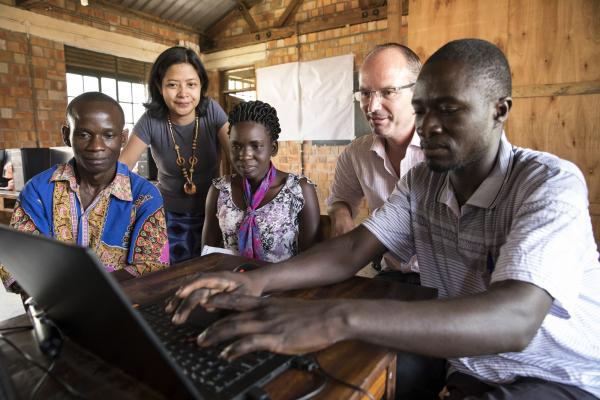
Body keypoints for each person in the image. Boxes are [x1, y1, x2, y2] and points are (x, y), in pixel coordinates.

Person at [167, 39, 600, 399]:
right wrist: (255, 281)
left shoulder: (548, 183)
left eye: (448, 110)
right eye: (424, 108)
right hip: (466, 364)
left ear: (499, 110)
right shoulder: (423, 182)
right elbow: (355, 247)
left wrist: (337, 316)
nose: (429, 125)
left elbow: (515, 320)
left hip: (555, 376)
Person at [0, 92, 170, 293]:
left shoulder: (145, 196)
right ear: (66, 135)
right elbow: (17, 267)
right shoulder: (37, 191)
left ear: (123, 138)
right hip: (53, 308)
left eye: (108, 135)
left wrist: (86, 290)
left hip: (124, 306)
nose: (96, 146)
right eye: (83, 134)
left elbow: (152, 267)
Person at [119, 46, 230, 264]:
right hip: (167, 217)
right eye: (172, 85)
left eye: (191, 84)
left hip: (215, 214)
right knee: (171, 275)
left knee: (210, 273)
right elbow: (121, 168)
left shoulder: (212, 111)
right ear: (159, 87)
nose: (183, 94)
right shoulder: (151, 119)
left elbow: (237, 157)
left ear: (201, 86)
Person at [328, 43, 424, 278]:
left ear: (419, 92)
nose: (372, 106)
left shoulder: (445, 151)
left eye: (388, 92)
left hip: (443, 282)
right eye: (365, 93)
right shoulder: (356, 154)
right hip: (388, 275)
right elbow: (340, 199)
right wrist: (340, 212)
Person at [202, 100, 320, 262]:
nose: (244, 155)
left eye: (255, 146)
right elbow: (208, 254)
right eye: (236, 146)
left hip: (283, 284)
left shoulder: (298, 190)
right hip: (231, 283)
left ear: (273, 148)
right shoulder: (219, 190)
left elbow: (311, 260)